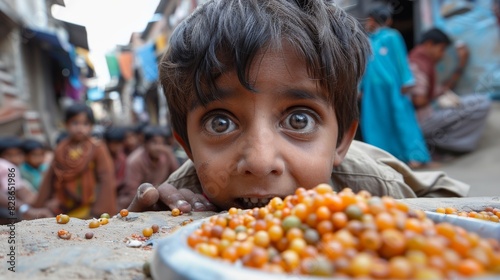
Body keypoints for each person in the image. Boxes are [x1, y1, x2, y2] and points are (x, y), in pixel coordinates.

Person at [126, 0, 469, 213]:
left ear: (341, 142)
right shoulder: (183, 194)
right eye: (221, 123)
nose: (260, 162)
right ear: (185, 145)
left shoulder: (370, 182)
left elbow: (455, 208)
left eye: (299, 119)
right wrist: (147, 225)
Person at [359, 5, 432, 168]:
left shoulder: (392, 36)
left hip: (393, 89)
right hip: (372, 91)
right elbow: (363, 67)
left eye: (370, 19)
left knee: (402, 120)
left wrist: (407, 81)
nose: (368, 22)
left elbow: (401, 59)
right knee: (376, 122)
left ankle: (415, 156)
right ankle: (384, 158)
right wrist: (359, 88)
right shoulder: (367, 40)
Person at [408, 28, 491, 155]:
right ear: (429, 44)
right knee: (482, 103)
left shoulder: (423, 62)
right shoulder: (416, 63)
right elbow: (419, 100)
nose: (442, 55)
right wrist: (438, 102)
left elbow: (441, 90)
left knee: (476, 102)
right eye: (441, 49)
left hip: (426, 117)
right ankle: (442, 146)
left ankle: (439, 144)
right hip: (422, 120)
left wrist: (461, 64)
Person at [33, 103, 117, 218]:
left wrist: (100, 210)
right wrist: (40, 204)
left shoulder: (97, 148)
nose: (80, 128)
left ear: (91, 126)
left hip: (89, 205)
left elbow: (106, 178)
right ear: (66, 124)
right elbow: (51, 177)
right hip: (64, 204)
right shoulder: (61, 148)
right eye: (75, 123)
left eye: (85, 124)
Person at [118, 125, 179, 209]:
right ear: (145, 144)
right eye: (154, 143)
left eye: (162, 143)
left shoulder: (166, 154)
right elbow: (132, 191)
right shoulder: (135, 161)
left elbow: (177, 177)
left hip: (160, 197)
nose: (159, 147)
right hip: (136, 200)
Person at [0, 136, 52, 224]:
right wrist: (25, 209)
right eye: (9, 155)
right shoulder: (7, 167)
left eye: (18, 154)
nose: (15, 158)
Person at [103, 126, 128, 197]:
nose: (117, 146)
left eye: (119, 143)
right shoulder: (101, 157)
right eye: (114, 143)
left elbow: (121, 179)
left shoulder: (122, 159)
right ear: (107, 143)